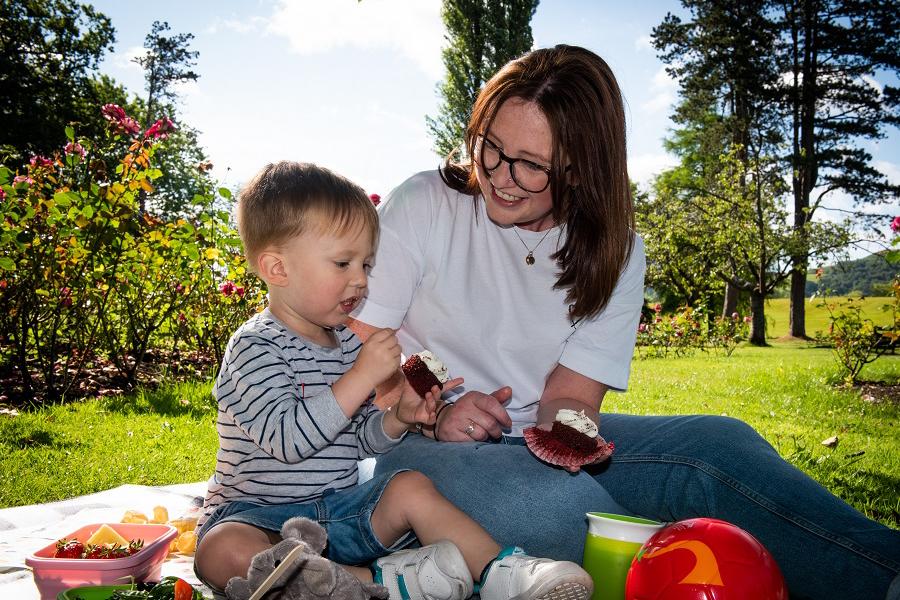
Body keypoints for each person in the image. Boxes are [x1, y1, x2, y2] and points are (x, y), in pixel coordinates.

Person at [349, 45, 900, 600]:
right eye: (490, 147)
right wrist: (434, 412)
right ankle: (692, 564)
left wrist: (570, 436)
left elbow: (570, 394)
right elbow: (364, 341)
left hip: (523, 436)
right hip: (409, 443)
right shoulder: (425, 203)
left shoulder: (615, 250)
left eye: (532, 165)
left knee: (718, 447)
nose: (499, 176)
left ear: (583, 169)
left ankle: (883, 574)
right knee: (556, 512)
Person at [193, 161, 595, 600]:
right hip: (259, 520)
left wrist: (398, 419)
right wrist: (362, 375)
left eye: (366, 263)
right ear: (277, 268)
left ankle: (505, 571)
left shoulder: (346, 344)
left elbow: (356, 442)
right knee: (223, 551)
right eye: (343, 263)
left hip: (335, 516)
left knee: (409, 486)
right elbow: (288, 440)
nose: (361, 280)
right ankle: (374, 582)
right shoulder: (255, 348)